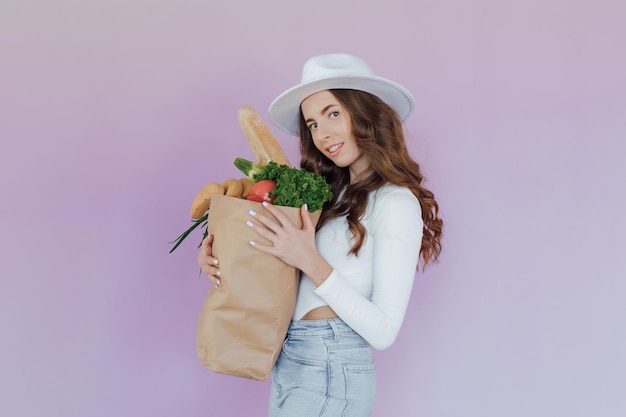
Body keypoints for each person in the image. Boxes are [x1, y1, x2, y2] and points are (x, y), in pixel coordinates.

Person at [198, 53, 443, 417]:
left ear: (365, 113)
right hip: (293, 357)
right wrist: (221, 258)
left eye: (333, 113)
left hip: (332, 362)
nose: (322, 134)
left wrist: (309, 260)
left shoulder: (395, 201)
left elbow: (384, 331)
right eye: (312, 124)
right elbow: (287, 274)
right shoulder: (330, 196)